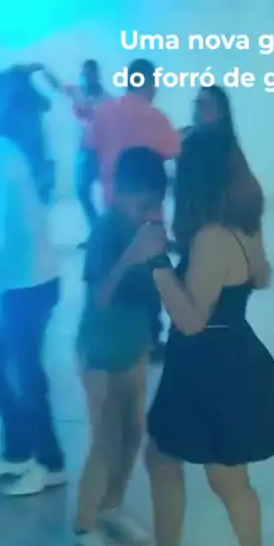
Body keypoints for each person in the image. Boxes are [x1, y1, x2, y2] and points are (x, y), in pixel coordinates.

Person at [106, 134, 274, 546]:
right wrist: (189, 258)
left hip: (212, 365)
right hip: (226, 353)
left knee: (225, 477)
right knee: (164, 458)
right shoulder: (243, 224)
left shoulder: (213, 237)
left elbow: (190, 321)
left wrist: (158, 261)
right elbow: (262, 276)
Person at [74, 148, 167, 546]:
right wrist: (132, 256)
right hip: (100, 347)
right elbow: (101, 297)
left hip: (133, 342)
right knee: (106, 437)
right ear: (121, 192)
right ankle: (84, 524)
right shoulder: (107, 230)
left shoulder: (146, 227)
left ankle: (111, 506)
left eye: (155, 203)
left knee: (133, 431)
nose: (150, 211)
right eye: (144, 203)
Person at [0, 72, 65, 496]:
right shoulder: (0, 147)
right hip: (29, 278)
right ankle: (17, 454)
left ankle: (50, 462)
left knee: (25, 373)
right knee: (3, 363)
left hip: (26, 281)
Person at [90, 58, 180, 363]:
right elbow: (174, 151)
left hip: (113, 206)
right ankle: (150, 340)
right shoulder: (156, 118)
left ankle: (113, 332)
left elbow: (91, 146)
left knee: (114, 269)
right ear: (150, 83)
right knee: (150, 275)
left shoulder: (105, 112)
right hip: (147, 213)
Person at [42, 60, 109, 244]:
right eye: (84, 74)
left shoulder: (106, 99)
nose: (86, 77)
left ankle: (105, 232)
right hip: (87, 150)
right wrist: (45, 70)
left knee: (108, 193)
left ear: (96, 75)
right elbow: (59, 87)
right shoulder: (79, 92)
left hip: (103, 151)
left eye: (89, 74)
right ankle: (97, 230)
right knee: (83, 191)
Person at [3, 64, 55, 203]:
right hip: (33, 138)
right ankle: (41, 194)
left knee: (31, 168)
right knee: (37, 166)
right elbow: (46, 104)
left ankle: (36, 194)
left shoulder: (13, 96)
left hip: (22, 141)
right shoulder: (29, 92)